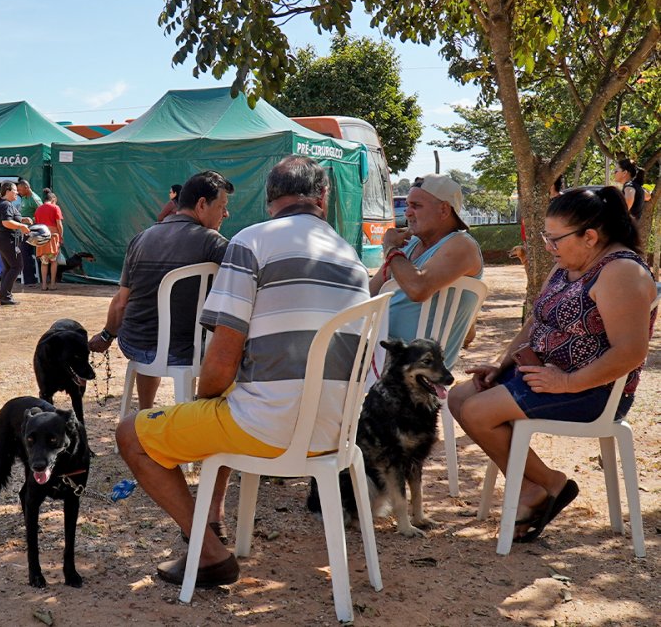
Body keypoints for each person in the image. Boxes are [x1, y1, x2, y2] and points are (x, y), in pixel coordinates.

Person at [115, 155, 371, 588]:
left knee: (131, 434)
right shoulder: (351, 256)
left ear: (269, 198)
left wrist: (203, 400)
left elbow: (219, 361)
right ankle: (211, 523)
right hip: (337, 433)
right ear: (323, 198)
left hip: (270, 429)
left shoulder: (252, 242)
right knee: (231, 403)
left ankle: (210, 553)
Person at [448, 186, 656, 543]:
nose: (548, 246)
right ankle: (541, 484)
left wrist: (567, 383)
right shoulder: (568, 266)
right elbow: (534, 323)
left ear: (590, 237)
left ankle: (543, 486)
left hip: (592, 390)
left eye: (555, 239)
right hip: (542, 376)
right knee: (459, 399)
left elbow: (630, 352)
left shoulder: (621, 272)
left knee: (479, 412)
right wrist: (502, 366)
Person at [88, 171, 231, 409]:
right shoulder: (213, 243)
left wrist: (106, 336)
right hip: (189, 352)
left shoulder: (140, 239)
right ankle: (203, 410)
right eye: (222, 206)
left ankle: (145, 410)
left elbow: (121, 303)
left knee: (155, 335)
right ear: (202, 204)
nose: (226, 213)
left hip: (136, 345)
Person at [371, 173, 483, 367]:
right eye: (407, 205)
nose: (407, 213)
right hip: (382, 348)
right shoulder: (410, 244)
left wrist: (390, 249)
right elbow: (368, 293)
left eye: (416, 206)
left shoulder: (462, 244)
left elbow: (418, 289)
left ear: (444, 210)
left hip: (410, 361)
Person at [0, 180, 33, 306]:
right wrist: (21, 226)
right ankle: (5, 295)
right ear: (8, 191)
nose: (17, 193)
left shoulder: (6, 204)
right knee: (17, 266)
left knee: (10, 268)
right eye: (15, 190)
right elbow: (6, 222)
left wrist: (23, 219)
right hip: (7, 239)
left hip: (4, 239)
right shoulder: (5, 204)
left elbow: (12, 218)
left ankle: (5, 296)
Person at [34, 189, 64, 290]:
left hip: (41, 238)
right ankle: (52, 284)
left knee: (44, 262)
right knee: (53, 260)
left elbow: (37, 225)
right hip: (52, 238)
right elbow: (59, 225)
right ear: (53, 199)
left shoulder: (38, 209)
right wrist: (61, 237)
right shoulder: (55, 207)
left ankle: (43, 285)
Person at [17, 180, 43, 286]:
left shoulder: (34, 199)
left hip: (31, 232)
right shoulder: (24, 197)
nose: (18, 192)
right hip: (24, 231)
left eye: (20, 189)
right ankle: (27, 278)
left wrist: (31, 221)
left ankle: (30, 279)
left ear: (27, 188)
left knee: (25, 253)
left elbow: (42, 214)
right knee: (23, 253)